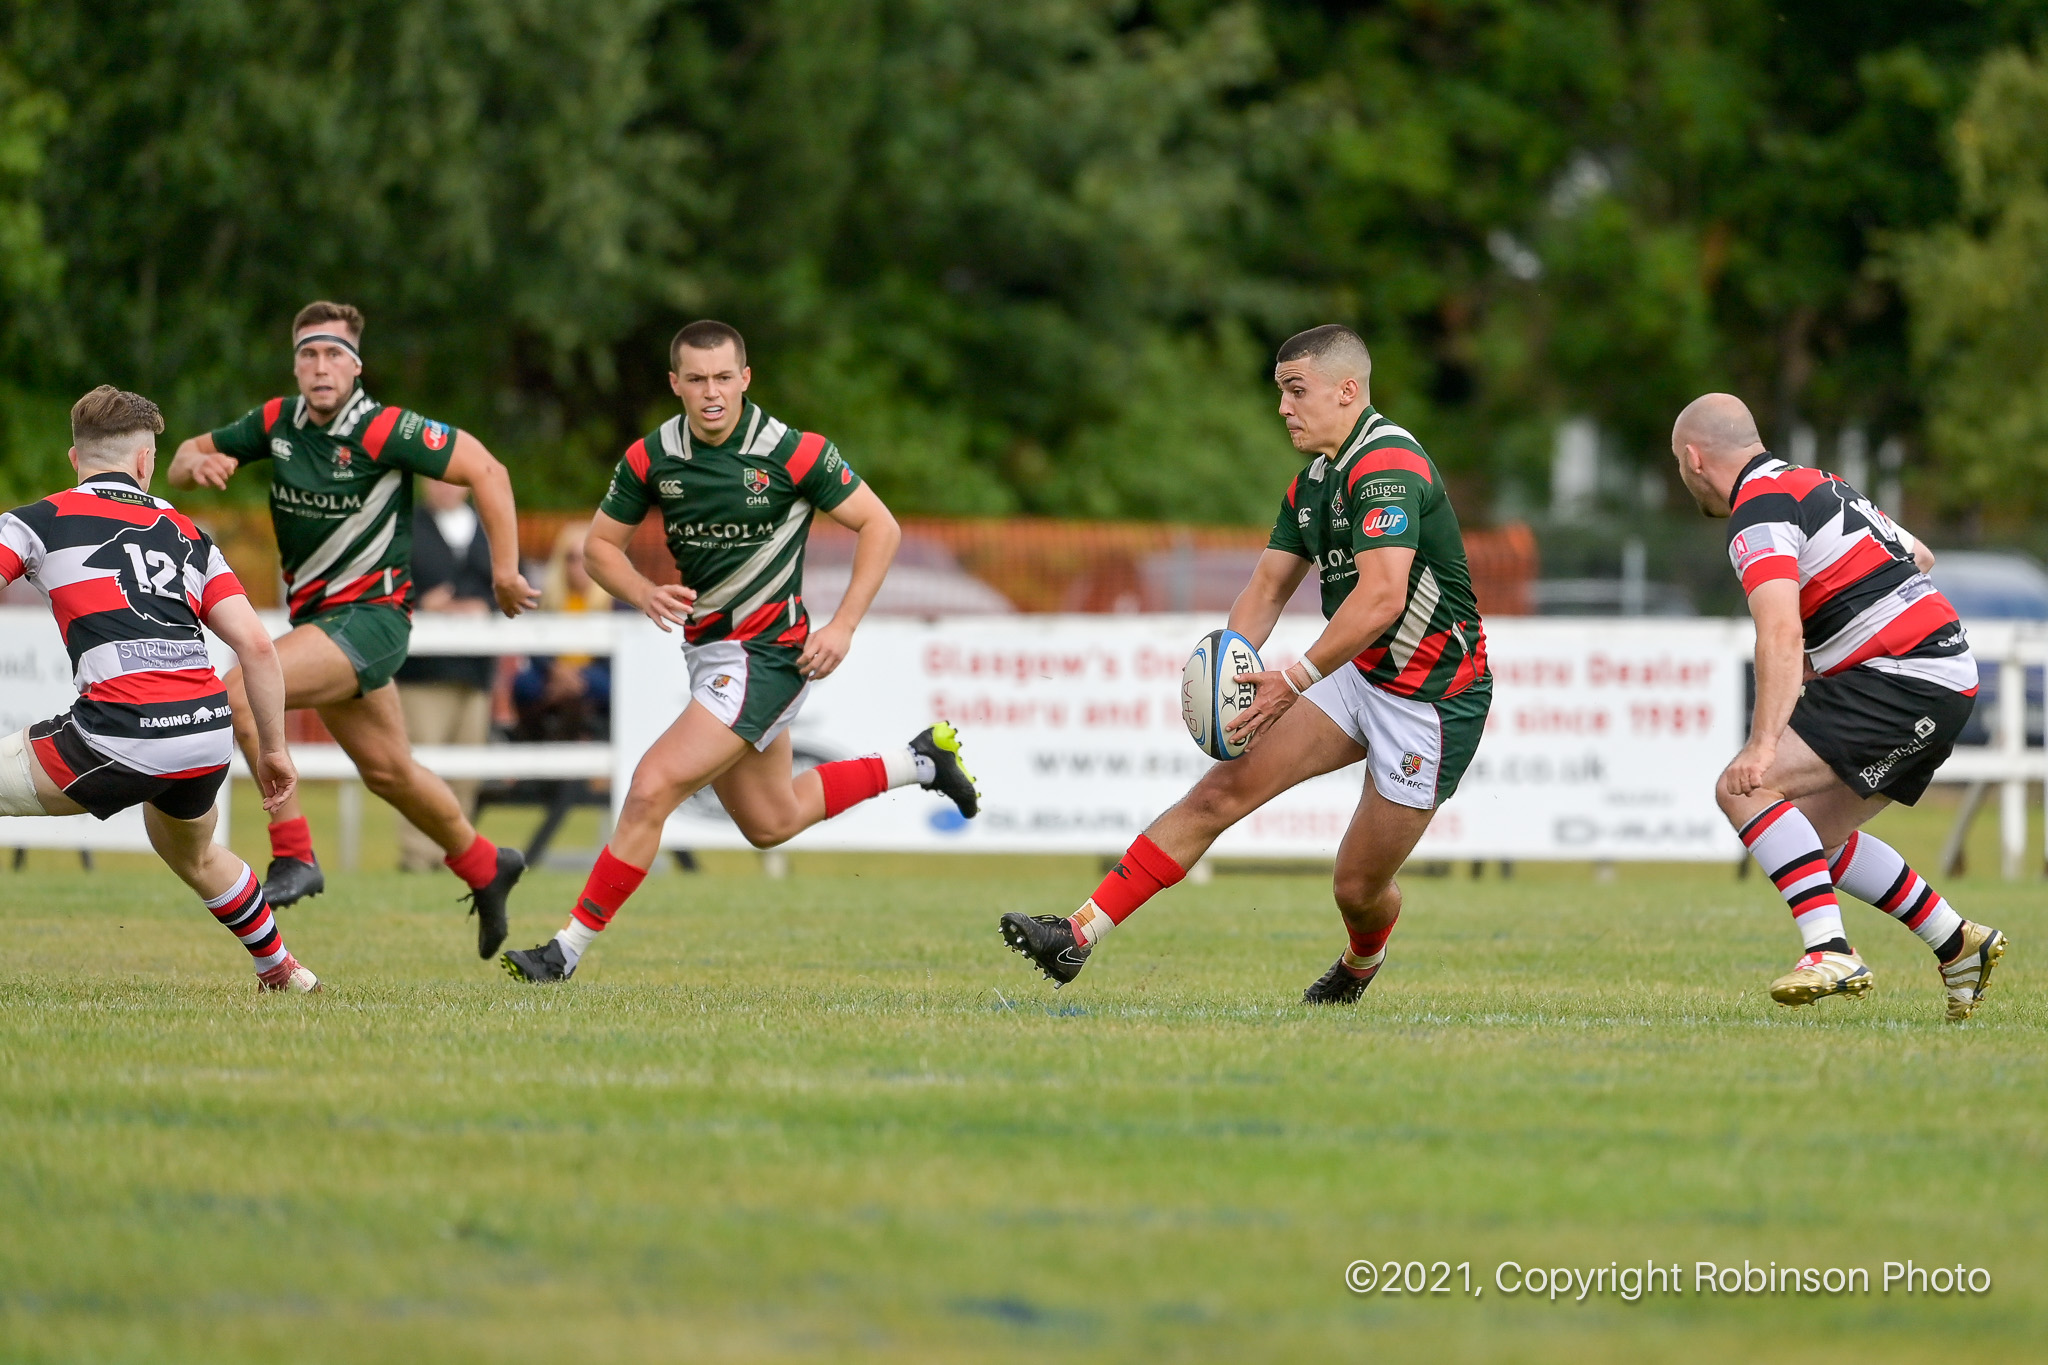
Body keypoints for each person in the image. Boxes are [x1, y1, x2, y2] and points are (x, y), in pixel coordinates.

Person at [999, 325, 1492, 1003]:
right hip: (1357, 675)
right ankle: (1076, 934)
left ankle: (1360, 961)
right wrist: (1232, 670)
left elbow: (1381, 598)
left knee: (1356, 886)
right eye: (1280, 392)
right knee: (1218, 792)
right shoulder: (1314, 484)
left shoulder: (1388, 464)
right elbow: (1265, 589)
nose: (1284, 407)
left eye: (1297, 390)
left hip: (1431, 699)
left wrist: (1291, 680)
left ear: (1348, 391)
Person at [499, 320, 979, 982]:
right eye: (696, 379)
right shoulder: (652, 457)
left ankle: (564, 951)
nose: (712, 392)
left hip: (767, 657)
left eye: (724, 377)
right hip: (709, 655)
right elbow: (598, 549)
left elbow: (881, 525)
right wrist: (642, 590)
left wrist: (840, 626)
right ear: (676, 385)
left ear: (745, 378)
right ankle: (919, 761)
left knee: (649, 787)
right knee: (770, 819)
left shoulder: (791, 451)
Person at [166, 301, 539, 959]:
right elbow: (183, 456)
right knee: (390, 771)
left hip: (373, 619)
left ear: (356, 365)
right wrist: (195, 463)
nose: (320, 365)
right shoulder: (278, 423)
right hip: (324, 625)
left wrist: (505, 571)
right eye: (308, 354)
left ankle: (294, 853)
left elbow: (489, 470)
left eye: (334, 353)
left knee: (243, 693)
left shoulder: (385, 428)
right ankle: (485, 864)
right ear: (295, 364)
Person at [1671, 393, 2006, 1021]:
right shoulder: (1819, 484)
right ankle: (1959, 943)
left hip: (1902, 676)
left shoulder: (1756, 513)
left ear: (1693, 459)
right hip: (1944, 674)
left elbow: (1778, 633)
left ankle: (1830, 949)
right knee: (1810, 835)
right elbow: (1921, 557)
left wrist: (1763, 745)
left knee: (1745, 788)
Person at [0, 387, 318, 991]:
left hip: (118, 733)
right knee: (194, 856)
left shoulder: (37, 521)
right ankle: (283, 970)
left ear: (75, 458)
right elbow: (255, 645)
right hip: (203, 736)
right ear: (146, 463)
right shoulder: (188, 533)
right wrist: (274, 750)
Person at [393, 477, 497, 872]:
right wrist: (426, 603)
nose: (444, 487)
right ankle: (417, 857)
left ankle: (459, 855)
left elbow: (509, 583)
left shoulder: (487, 528)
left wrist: (479, 606)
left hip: (475, 671)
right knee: (420, 766)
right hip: (422, 673)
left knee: (466, 771)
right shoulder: (405, 527)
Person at [510, 524, 612, 742]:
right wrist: (555, 671)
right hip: (552, 671)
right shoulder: (547, 601)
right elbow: (534, 645)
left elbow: (615, 657)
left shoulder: (614, 604)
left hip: (594, 672)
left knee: (603, 684)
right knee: (524, 684)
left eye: (586, 557)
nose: (579, 566)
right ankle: (531, 746)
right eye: (572, 558)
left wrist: (576, 676)